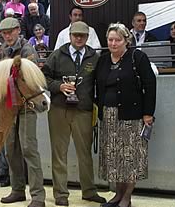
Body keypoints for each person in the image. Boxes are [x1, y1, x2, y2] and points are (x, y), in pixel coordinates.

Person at [41, 21, 106, 206]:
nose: (78, 38)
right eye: (75, 35)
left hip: (83, 110)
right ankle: (61, 194)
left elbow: (99, 83)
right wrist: (58, 86)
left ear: (87, 37)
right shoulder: (57, 55)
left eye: (82, 35)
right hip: (59, 110)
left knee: (84, 153)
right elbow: (44, 77)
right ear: (69, 35)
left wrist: (97, 107)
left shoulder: (94, 57)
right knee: (58, 153)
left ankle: (89, 191)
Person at [95, 23, 156, 207]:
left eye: (118, 40)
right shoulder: (103, 60)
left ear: (126, 41)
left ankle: (127, 198)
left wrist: (148, 113)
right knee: (114, 158)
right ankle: (117, 195)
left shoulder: (138, 57)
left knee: (130, 159)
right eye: (110, 39)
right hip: (108, 116)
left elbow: (150, 85)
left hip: (133, 116)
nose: (113, 43)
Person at [0, 17, 46, 207]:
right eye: (4, 33)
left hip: (27, 106)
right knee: (11, 150)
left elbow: (30, 78)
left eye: (10, 32)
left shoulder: (27, 50)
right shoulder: (4, 50)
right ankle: (17, 189)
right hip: (10, 106)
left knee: (29, 149)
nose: (7, 36)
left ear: (18, 30)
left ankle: (38, 196)